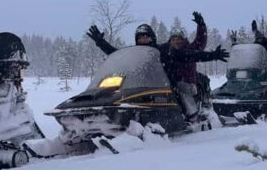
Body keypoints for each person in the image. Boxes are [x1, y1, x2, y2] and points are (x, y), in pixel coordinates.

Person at [86, 13, 228, 122]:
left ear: (152, 38)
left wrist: (212, 55)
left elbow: (189, 55)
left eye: (145, 37)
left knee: (181, 87)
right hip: (144, 86)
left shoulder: (164, 50)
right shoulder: (136, 55)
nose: (143, 40)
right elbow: (116, 54)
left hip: (168, 85)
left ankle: (192, 116)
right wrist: (101, 42)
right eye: (140, 37)